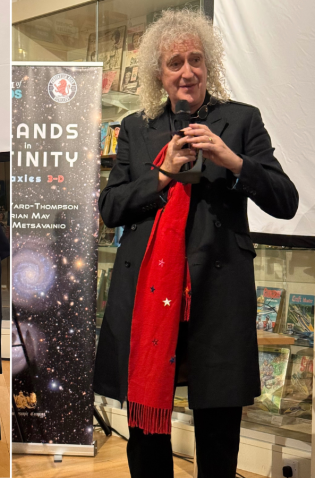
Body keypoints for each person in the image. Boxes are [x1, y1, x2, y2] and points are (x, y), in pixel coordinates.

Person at [92, 10, 298, 478]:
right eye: (174, 63)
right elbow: (111, 208)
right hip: (148, 296)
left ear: (210, 63)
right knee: (147, 432)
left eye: (195, 59)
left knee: (219, 423)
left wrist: (233, 160)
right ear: (158, 74)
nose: (187, 72)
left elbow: (286, 201)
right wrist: (163, 175)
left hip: (216, 294)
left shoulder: (242, 120)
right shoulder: (136, 127)